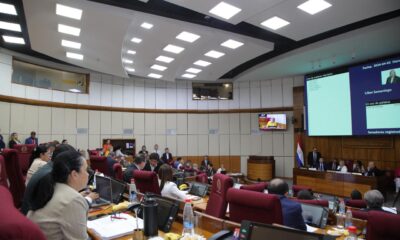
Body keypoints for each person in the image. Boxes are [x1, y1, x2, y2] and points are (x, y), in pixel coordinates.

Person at [27, 150, 91, 239]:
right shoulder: (73, 199)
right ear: (74, 174)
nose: (88, 174)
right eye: (86, 170)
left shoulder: (52, 185)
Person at [21, 144, 98, 215]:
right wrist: (86, 200)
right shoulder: (51, 175)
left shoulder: (49, 168)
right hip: (33, 221)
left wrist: (78, 196)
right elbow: (60, 207)